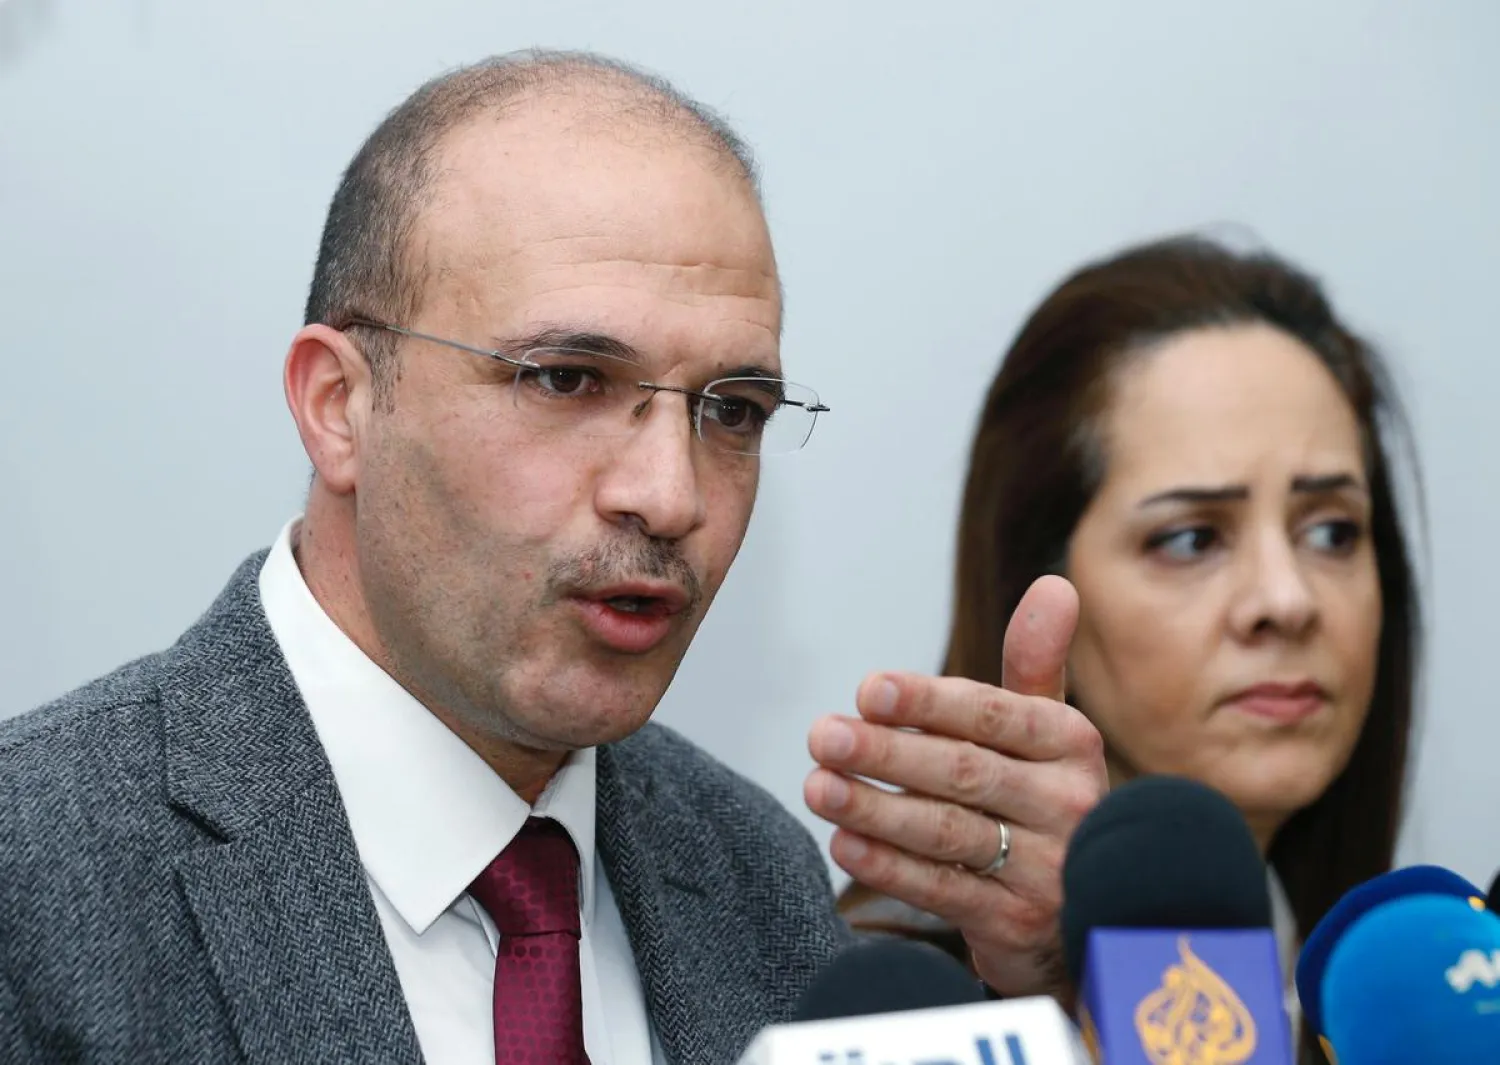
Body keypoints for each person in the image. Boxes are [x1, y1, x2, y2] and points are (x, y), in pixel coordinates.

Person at [0, 51, 1107, 1063]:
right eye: (567, 380)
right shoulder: (34, 873)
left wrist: (1053, 987)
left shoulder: (754, 876)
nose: (669, 495)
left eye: (731, 410)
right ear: (340, 405)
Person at [836, 233, 1423, 1061]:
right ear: (1039, 588)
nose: (1287, 600)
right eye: (1191, 539)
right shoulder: (888, 1011)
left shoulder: (1412, 995)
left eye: (1331, 530)